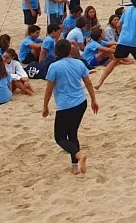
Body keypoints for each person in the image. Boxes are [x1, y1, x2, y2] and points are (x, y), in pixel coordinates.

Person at [42, 38, 99, 174]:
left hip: (65, 106)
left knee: (60, 137)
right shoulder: (78, 63)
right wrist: (93, 100)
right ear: (69, 50)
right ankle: (74, 167)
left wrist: (45, 106)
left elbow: (49, 89)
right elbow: (88, 83)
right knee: (72, 133)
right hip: (81, 102)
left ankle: (78, 156)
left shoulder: (54, 67)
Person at [96, 0, 136, 90]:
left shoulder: (127, 11)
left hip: (123, 40)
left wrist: (121, 35)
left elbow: (118, 25)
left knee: (114, 61)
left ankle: (99, 83)